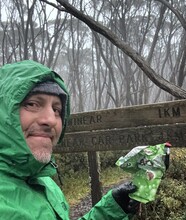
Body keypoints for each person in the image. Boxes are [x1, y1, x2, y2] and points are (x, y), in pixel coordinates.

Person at [0, 60, 139, 219]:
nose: (51, 120)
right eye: (32, 104)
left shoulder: (44, 182)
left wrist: (114, 208)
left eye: (56, 109)